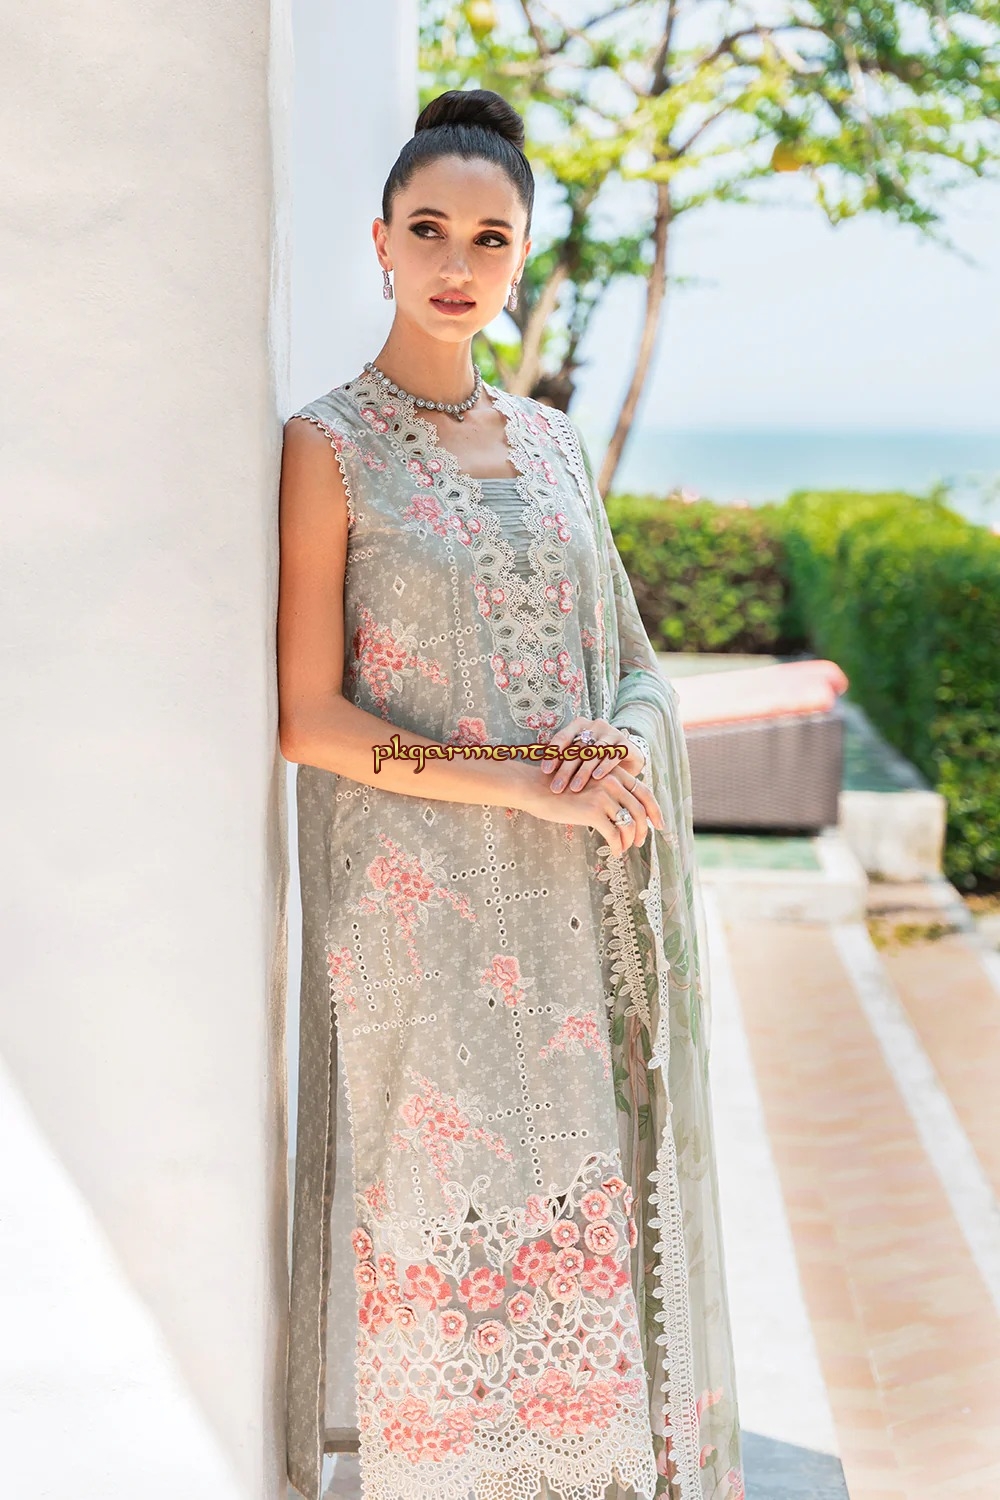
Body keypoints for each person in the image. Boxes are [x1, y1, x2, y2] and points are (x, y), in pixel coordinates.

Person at [278, 87, 745, 1500]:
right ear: (379, 241)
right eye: (429, 230)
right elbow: (307, 719)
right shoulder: (328, 446)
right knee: (449, 1239)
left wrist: (610, 744)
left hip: (574, 919)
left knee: (584, 1250)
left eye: (489, 238)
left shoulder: (552, 447)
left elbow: (635, 669)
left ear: (522, 257)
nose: (456, 263)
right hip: (423, 931)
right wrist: (522, 787)